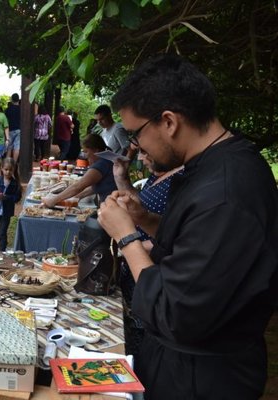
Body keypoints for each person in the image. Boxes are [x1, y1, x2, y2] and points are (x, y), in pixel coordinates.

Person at [97, 55, 278, 399]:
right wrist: (146, 220)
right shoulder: (213, 165)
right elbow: (200, 243)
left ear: (168, 121)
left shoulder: (228, 190)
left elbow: (175, 311)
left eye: (136, 135)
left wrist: (127, 238)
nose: (136, 148)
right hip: (182, 364)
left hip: (203, 379)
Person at [113, 149, 184, 358]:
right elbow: (143, 207)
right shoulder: (160, 170)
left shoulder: (185, 180)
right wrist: (121, 179)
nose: (141, 158)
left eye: (144, 151)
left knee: (145, 340)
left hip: (153, 275)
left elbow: (179, 235)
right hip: (136, 266)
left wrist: (127, 242)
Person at [43, 134, 117, 207]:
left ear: (96, 150)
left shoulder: (101, 164)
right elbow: (93, 188)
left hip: (113, 207)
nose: (85, 155)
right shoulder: (106, 160)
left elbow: (78, 186)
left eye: (86, 152)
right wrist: (76, 197)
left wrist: (53, 200)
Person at [0, 158, 22, 251]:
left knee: (3, 231)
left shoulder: (15, 184)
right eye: (6, 169)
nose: (8, 172)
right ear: (1, 168)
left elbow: (17, 198)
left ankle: (2, 250)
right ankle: (3, 241)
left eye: (10, 170)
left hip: (6, 212)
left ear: (14, 170)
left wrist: (6, 197)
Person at [5, 93, 21, 161]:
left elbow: (5, 121)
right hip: (19, 130)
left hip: (10, 130)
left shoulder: (8, 109)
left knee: (9, 147)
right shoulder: (21, 109)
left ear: (12, 99)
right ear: (18, 99)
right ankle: (14, 164)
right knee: (17, 147)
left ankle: (7, 163)